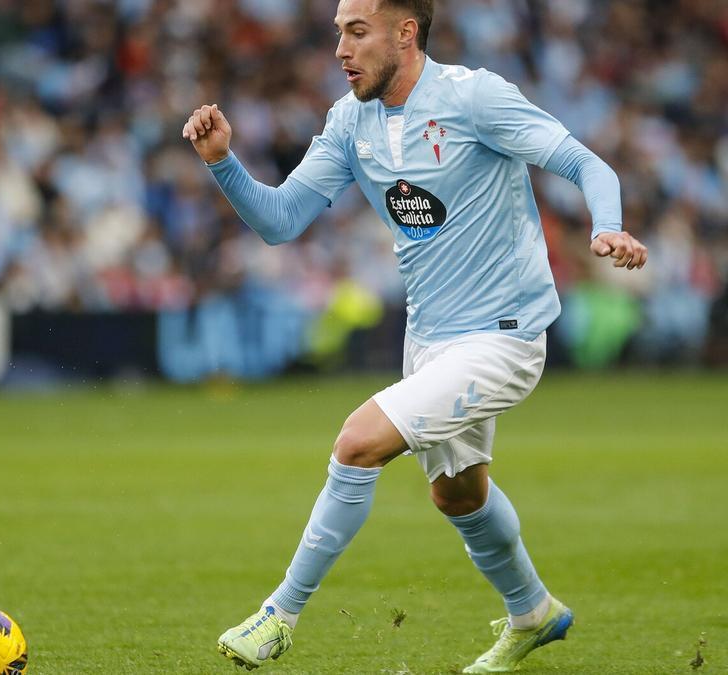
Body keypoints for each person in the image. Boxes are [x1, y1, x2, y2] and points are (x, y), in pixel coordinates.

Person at [182, 0, 647, 672]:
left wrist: (607, 224)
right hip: (430, 340)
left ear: (405, 32)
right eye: (338, 32)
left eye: (357, 31)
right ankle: (535, 612)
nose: (341, 48)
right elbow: (281, 220)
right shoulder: (349, 121)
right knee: (457, 492)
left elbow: (587, 164)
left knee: (357, 442)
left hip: (504, 335)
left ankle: (279, 614)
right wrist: (223, 162)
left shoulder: (475, 97)